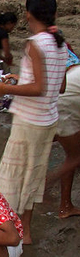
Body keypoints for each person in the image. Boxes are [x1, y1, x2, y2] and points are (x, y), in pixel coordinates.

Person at [0, 0, 68, 244]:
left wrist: (4, 88)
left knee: (11, 176)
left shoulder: (35, 44)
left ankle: (4, 231)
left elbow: (39, 88)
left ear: (27, 14)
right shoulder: (60, 44)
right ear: (53, 14)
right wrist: (19, 80)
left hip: (29, 121)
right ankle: (27, 232)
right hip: (48, 120)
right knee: (32, 175)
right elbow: (59, 86)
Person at [51, 57, 80, 218]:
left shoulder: (76, 67)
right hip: (65, 106)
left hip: (55, 102)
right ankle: (50, 184)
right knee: (75, 157)